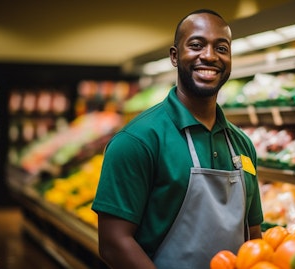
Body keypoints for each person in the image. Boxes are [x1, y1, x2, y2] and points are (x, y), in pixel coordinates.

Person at [91, 9, 264, 269]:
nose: (209, 56)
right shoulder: (136, 141)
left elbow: (253, 234)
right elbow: (114, 243)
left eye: (221, 48)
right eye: (196, 45)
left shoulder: (243, 145)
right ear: (175, 56)